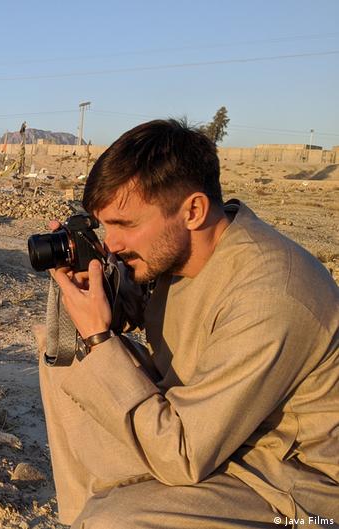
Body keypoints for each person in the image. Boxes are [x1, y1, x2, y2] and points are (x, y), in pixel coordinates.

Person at [39, 119, 338, 528]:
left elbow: (183, 454)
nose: (112, 242)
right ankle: (81, 517)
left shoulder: (272, 294)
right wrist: (95, 282)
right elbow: (142, 307)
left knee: (117, 522)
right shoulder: (180, 252)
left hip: (294, 488)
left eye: (125, 225)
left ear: (193, 210)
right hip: (213, 440)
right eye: (105, 226)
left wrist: (99, 335)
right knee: (67, 355)